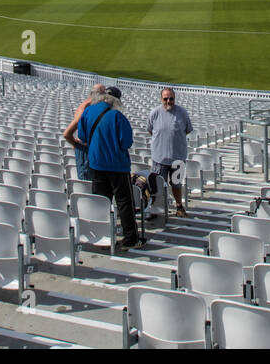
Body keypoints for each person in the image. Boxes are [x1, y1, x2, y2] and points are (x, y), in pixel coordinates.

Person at [80, 87, 143, 248]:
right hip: (117, 166)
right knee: (124, 202)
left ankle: (102, 236)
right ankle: (131, 238)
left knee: (101, 202)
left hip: (95, 164)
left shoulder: (89, 112)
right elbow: (126, 142)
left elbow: (82, 136)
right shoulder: (117, 116)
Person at [146, 88, 193, 217]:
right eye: (165, 99)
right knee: (157, 186)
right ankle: (155, 208)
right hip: (159, 158)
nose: (168, 101)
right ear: (161, 99)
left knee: (177, 184)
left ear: (174, 99)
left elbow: (187, 129)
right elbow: (150, 130)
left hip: (177, 157)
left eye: (171, 98)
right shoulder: (155, 112)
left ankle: (179, 206)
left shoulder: (182, 112)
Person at [62, 83, 106, 181]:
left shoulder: (94, 106)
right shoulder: (86, 107)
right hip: (85, 151)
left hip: (94, 151)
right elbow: (67, 134)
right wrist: (75, 143)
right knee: (86, 182)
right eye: (104, 93)